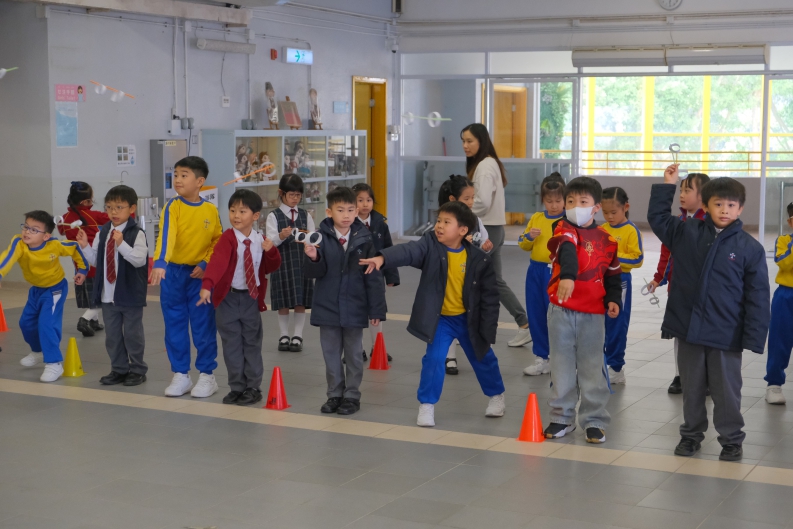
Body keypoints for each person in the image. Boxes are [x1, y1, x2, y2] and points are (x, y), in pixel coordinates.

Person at [649, 166, 770, 461]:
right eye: (718, 204)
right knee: (692, 389)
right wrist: (668, 185)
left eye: (731, 205)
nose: (724, 210)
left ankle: (732, 440)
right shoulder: (686, 232)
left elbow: (757, 297)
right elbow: (658, 218)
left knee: (727, 391)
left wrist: (754, 337)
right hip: (689, 329)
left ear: (740, 208)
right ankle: (690, 436)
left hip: (725, 334)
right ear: (706, 205)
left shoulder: (749, 248)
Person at [361, 201, 507, 428]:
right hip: (442, 320)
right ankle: (427, 405)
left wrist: (487, 329)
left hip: (469, 320)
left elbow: (490, 299)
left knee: (483, 357)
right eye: (439, 221)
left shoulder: (479, 259)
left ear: (462, 230)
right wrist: (383, 258)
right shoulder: (430, 245)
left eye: (446, 222)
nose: (439, 226)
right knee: (434, 360)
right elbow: (408, 251)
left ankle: (496, 396)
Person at [544, 177, 621, 444]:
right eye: (570, 201)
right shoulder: (562, 228)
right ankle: (561, 417)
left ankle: (594, 420)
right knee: (561, 365)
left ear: (596, 207)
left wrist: (614, 299)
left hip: (593, 314)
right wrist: (567, 277)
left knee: (592, 368)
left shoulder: (608, 239)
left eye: (583, 201)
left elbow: (613, 275)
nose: (576, 206)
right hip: (561, 311)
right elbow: (566, 251)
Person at [303, 187, 387, 416]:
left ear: (357, 211)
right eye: (340, 210)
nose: (346, 215)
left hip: (355, 307)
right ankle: (334, 395)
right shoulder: (319, 237)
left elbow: (373, 278)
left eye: (351, 210)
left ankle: (351, 395)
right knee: (331, 355)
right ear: (329, 212)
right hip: (327, 307)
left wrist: (376, 310)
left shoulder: (365, 239)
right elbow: (313, 273)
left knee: (354, 355)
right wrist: (313, 258)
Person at [198, 189, 282, 406]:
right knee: (231, 345)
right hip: (227, 300)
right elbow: (217, 263)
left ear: (255, 216)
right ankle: (237, 387)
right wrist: (207, 285)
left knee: (252, 343)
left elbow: (271, 266)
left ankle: (253, 387)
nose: (236, 215)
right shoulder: (227, 239)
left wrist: (272, 251)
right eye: (232, 210)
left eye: (242, 211)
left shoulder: (261, 240)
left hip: (250, 300)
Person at [150, 156, 223, 398]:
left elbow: (217, 240)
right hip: (173, 274)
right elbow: (166, 235)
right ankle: (181, 374)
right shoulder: (173, 206)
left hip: (199, 277)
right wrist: (161, 262)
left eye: (184, 175)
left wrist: (205, 263)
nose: (178, 180)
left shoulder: (210, 210)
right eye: (176, 175)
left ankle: (207, 375)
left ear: (200, 181)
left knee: (203, 325)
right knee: (175, 324)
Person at [460, 123, 530, 347]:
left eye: (469, 141)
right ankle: (524, 323)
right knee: (495, 282)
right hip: (494, 229)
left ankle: (468, 329)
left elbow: (481, 202)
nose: (465, 145)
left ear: (481, 141)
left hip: (485, 230)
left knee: (469, 279)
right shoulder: (488, 163)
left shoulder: (484, 165)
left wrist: (460, 213)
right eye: (463, 141)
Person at [0, 211, 88, 382]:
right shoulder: (19, 243)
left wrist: (83, 269)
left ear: (46, 236)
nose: (27, 232)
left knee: (47, 324)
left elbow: (74, 247)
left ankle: (54, 363)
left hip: (55, 289)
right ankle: (38, 351)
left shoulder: (54, 245)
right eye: (26, 227)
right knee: (26, 323)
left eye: (34, 230)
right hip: (36, 290)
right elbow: (7, 258)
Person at [76, 185, 149, 387]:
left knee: (133, 335)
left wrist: (121, 244)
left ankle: (137, 370)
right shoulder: (104, 232)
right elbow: (96, 260)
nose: (113, 212)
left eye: (119, 207)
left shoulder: (136, 233)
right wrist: (85, 246)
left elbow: (139, 260)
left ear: (131, 208)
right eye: (109, 207)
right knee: (113, 336)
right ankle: (119, 369)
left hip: (130, 294)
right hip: (108, 295)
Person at [647, 173, 709, 394]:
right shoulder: (677, 223)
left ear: (703, 195)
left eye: (687, 190)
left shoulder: (711, 224)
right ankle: (680, 375)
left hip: (704, 291)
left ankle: (705, 377)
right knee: (680, 333)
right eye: (680, 190)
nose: (681, 195)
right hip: (678, 289)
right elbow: (667, 254)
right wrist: (658, 277)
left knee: (703, 334)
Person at [436, 175, 493, 375]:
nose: (470, 202)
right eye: (466, 198)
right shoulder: (444, 223)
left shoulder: (475, 220)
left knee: (469, 314)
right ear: (453, 199)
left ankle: (478, 351)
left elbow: (483, 241)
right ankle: (449, 357)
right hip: (450, 278)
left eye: (472, 198)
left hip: (469, 278)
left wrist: (485, 246)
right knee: (448, 315)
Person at [519, 173, 565, 376]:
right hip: (535, 271)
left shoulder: (568, 221)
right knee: (536, 313)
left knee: (557, 316)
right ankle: (541, 357)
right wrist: (529, 237)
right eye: (549, 201)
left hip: (556, 272)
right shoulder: (537, 218)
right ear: (543, 200)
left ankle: (561, 357)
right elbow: (523, 244)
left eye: (558, 201)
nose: (553, 205)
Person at [265, 173, 315, 353]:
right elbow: (270, 242)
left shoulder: (305, 215)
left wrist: (310, 241)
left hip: (301, 261)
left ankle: (298, 335)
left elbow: (312, 237)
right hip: (282, 263)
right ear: (281, 193)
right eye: (292, 195)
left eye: (298, 195)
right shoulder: (274, 216)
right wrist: (281, 235)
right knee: (283, 301)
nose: (295, 198)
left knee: (300, 300)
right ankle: (284, 335)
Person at [601, 187, 644, 385]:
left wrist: (613, 258)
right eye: (605, 212)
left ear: (625, 207)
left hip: (621, 282)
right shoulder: (602, 229)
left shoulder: (631, 230)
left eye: (613, 212)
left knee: (616, 323)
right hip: (601, 281)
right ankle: (600, 363)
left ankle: (616, 367)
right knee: (599, 324)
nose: (609, 217)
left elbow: (637, 259)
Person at [352, 183, 398, 363]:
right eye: (360, 200)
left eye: (369, 200)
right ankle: (357, 348)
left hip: (376, 274)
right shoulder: (349, 223)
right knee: (356, 312)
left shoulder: (380, 224)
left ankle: (377, 347)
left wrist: (391, 276)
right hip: (354, 274)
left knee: (376, 312)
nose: (365, 204)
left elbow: (388, 250)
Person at [58, 181, 110, 337]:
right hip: (94, 259)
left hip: (79, 263)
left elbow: (61, 230)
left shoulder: (65, 218)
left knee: (91, 293)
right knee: (102, 295)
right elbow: (115, 218)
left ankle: (94, 322)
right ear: (85, 201)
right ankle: (85, 320)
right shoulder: (94, 215)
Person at [766, 202, 793, 405]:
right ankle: (774, 384)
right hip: (786, 295)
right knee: (779, 339)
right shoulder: (784, 241)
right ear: (790, 222)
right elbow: (783, 262)